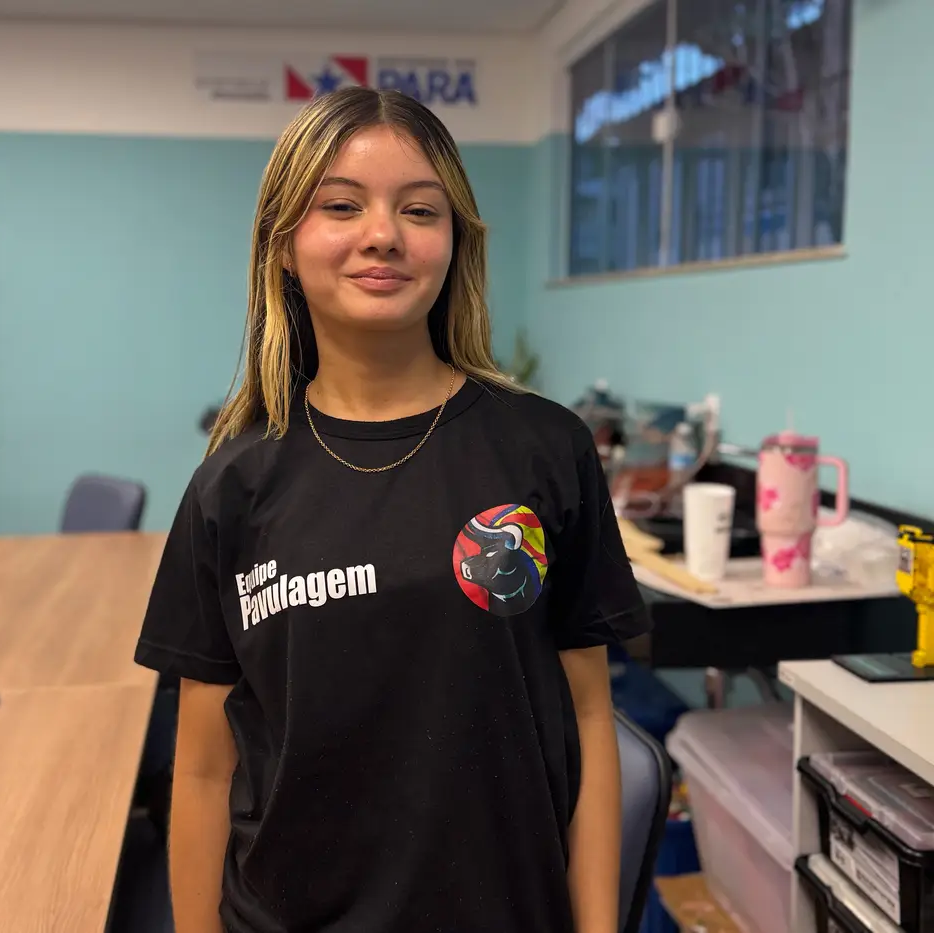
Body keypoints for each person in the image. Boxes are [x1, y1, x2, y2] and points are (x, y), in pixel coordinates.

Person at [134, 86, 651, 933]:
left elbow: (591, 716)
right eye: (341, 205)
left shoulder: (543, 449)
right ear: (283, 246)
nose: (383, 234)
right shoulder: (233, 483)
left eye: (420, 209)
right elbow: (199, 770)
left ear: (454, 243)